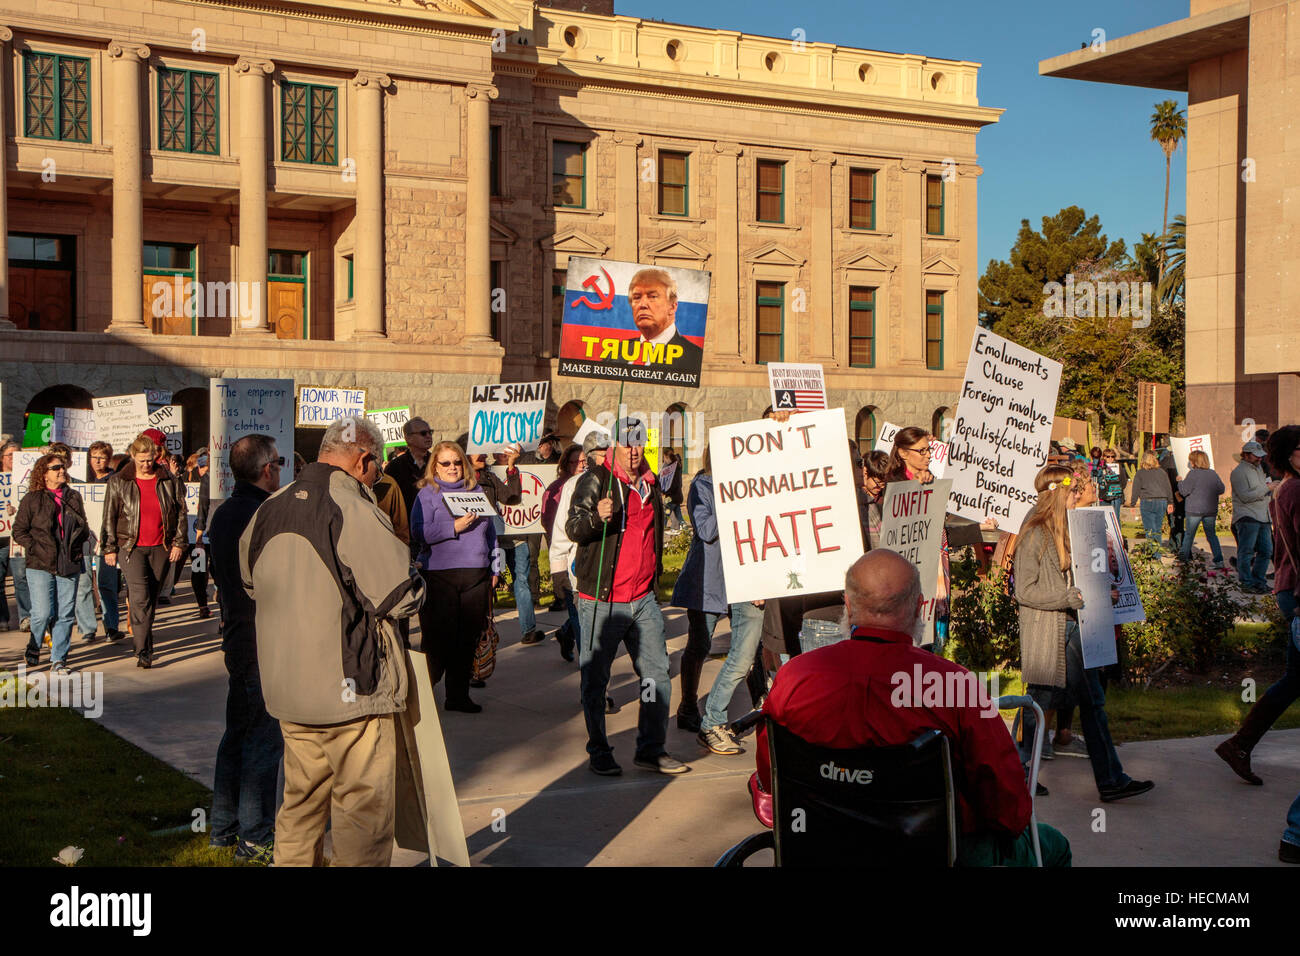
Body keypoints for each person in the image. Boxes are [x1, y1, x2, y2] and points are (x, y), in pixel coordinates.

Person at [755, 550, 1071, 867]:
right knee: (1053, 845)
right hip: (934, 854)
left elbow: (772, 781)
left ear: (848, 606)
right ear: (920, 607)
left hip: (823, 849)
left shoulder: (794, 677)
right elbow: (1009, 809)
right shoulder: (953, 686)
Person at [241, 416, 425, 867]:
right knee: (361, 820)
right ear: (363, 460)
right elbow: (401, 593)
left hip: (290, 694)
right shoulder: (350, 506)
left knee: (299, 811)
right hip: (353, 694)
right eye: (377, 466)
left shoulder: (269, 507)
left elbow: (250, 583)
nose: (379, 475)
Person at [1015, 463, 1153, 802]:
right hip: (1049, 628)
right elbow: (1024, 591)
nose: (1079, 496)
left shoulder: (1063, 530)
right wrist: (1070, 597)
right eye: (1074, 490)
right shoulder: (1035, 532)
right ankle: (1020, 774)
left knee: (1088, 702)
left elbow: (1074, 580)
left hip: (1072, 626)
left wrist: (1100, 591)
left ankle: (1109, 778)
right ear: (1059, 493)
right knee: (1040, 701)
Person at [567, 416, 687, 776]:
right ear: (614, 447)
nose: (633, 451)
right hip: (600, 599)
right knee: (595, 679)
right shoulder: (596, 480)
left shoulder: (651, 484)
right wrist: (595, 518)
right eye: (626, 443)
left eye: (638, 443)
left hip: (643, 599)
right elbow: (574, 528)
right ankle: (599, 749)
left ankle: (651, 748)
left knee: (656, 675)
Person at [206, 434, 284, 862]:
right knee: (262, 739)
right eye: (279, 462)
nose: (281, 469)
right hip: (261, 640)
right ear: (266, 468)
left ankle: (223, 827)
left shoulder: (224, 513)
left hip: (238, 634)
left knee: (238, 732)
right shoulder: (264, 514)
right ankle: (254, 838)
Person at [1215, 425, 1300, 788]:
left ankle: (1240, 745)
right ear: (1288, 456)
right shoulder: (1296, 488)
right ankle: (1239, 745)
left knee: (1294, 680)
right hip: (1297, 593)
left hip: (1290, 588)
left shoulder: (1287, 487)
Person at [671, 446, 764, 755]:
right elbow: (707, 529)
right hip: (707, 580)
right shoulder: (702, 486)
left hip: (740, 579)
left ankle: (759, 704)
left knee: (749, 647)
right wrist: (731, 499)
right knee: (700, 644)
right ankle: (687, 706)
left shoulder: (749, 485)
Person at [411, 441, 498, 712]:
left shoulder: (477, 491)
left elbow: (491, 533)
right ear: (435, 465)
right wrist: (453, 527)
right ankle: (420, 699)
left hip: (476, 576)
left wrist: (496, 568)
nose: (452, 467)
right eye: (446, 463)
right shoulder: (426, 494)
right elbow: (419, 533)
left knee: (467, 640)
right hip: (440, 577)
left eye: (457, 462)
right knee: (438, 642)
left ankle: (457, 697)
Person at [101, 434, 187, 668]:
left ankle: (144, 641)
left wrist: (179, 542)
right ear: (132, 457)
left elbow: (180, 511)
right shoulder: (119, 481)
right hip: (131, 547)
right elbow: (109, 516)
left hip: (161, 546)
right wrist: (109, 547)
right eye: (141, 461)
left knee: (151, 597)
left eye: (150, 460)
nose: (146, 465)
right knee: (140, 598)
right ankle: (143, 650)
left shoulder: (167, 479)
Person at [12, 454, 89, 674]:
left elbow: (82, 525)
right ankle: (34, 646)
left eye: (62, 467)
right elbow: (19, 531)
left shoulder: (73, 496)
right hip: (39, 563)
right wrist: (36, 547)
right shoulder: (32, 499)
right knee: (42, 613)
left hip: (69, 561)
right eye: (55, 468)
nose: (61, 471)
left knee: (65, 614)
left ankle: (59, 660)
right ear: (43, 474)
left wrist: (77, 542)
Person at [470, 448, 532, 644]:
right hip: (472, 545)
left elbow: (511, 497)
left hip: (492, 539)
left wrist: (511, 467)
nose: (484, 456)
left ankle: (488, 638)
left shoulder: (488, 477)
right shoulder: (459, 481)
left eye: (483, 452)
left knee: (493, 584)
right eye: (477, 452)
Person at [543, 439, 595, 661]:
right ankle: (591, 683)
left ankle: (565, 634)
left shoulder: (597, 483)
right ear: (566, 464)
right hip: (572, 561)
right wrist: (559, 569)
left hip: (594, 565)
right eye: (577, 461)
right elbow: (555, 526)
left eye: (585, 460)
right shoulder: (562, 488)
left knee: (585, 620)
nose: (582, 465)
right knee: (582, 621)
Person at [627, 267, 703, 371]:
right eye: (636, 297)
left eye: (652, 296)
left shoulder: (696, 358)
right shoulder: (615, 353)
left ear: (672, 306)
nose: (642, 304)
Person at [1230, 441, 1273, 593]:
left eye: (1261, 456)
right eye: (1256, 456)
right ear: (1246, 455)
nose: (1260, 459)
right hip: (1247, 516)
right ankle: (1247, 583)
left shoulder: (1258, 468)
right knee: (1246, 551)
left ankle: (1258, 581)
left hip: (1263, 515)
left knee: (1266, 551)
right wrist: (1267, 488)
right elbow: (1245, 496)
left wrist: (1270, 490)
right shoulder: (1238, 472)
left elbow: (1260, 491)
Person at [0, 439, 31, 631]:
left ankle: (25, 617)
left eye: (17, 454)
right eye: (10, 455)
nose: (13, 459)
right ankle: (2, 618)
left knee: (21, 577)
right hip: (1, 538)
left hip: (19, 537)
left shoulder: (26, 480)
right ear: (2, 458)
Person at [1177, 450, 1225, 567]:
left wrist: (1180, 482)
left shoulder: (1192, 474)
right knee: (1212, 535)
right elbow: (1221, 489)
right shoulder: (1213, 473)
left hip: (1194, 510)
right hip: (1210, 510)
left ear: (1194, 462)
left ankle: (1183, 560)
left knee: (1189, 535)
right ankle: (1219, 560)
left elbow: (1184, 491)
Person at [384, 417, 433, 513]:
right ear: (408, 438)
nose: (428, 436)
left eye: (430, 432)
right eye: (423, 433)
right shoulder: (395, 466)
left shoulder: (438, 462)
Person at [187, 449, 213, 619]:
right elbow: (202, 508)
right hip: (199, 533)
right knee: (199, 569)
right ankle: (202, 604)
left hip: (209, 533)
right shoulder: (205, 479)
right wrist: (198, 535)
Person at [1129, 451, 1174, 551]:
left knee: (1149, 529)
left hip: (1147, 501)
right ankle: (1157, 552)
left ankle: (1153, 553)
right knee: (1157, 529)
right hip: (1161, 501)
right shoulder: (1162, 472)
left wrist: (1132, 504)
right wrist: (1170, 502)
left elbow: (1136, 489)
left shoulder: (1140, 473)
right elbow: (1168, 487)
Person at [1096, 448, 1127, 524]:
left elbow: (1123, 481)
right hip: (1104, 495)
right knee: (1105, 517)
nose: (1110, 458)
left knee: (1115, 518)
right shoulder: (1100, 467)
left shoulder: (1118, 467)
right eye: (1108, 456)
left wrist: (1117, 489)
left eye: (1112, 456)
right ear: (1103, 457)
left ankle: (1117, 535)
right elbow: (1098, 480)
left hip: (1116, 495)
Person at [660, 447, 685, 531]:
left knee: (666, 510)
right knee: (677, 512)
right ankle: (683, 525)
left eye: (664, 458)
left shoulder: (672, 469)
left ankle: (664, 526)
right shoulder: (676, 466)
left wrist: (664, 490)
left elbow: (672, 484)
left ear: (666, 457)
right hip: (677, 495)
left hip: (671, 496)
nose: (664, 460)